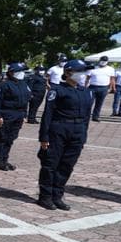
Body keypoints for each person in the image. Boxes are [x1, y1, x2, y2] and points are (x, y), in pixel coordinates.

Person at [37, 60, 93, 210]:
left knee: (67, 165)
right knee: (50, 164)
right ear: (68, 73)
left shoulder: (86, 92)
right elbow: (48, 115)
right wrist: (44, 137)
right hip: (59, 129)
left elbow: (87, 116)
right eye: (80, 72)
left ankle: (57, 195)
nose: (83, 75)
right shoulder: (57, 90)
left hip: (77, 131)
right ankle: (45, 196)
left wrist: (83, 135)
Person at [0, 63, 31, 171]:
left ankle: (4, 160)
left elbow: (26, 100)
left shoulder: (24, 84)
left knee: (10, 138)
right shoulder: (3, 85)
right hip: (6, 114)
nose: (22, 73)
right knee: (1, 138)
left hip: (18, 115)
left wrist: (24, 115)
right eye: (20, 71)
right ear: (11, 72)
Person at [86, 56, 116, 122]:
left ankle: (95, 117)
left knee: (99, 103)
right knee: (89, 102)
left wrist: (111, 88)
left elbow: (112, 79)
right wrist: (85, 87)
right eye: (102, 60)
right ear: (99, 60)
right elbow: (87, 78)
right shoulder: (93, 68)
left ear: (107, 62)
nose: (103, 62)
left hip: (104, 88)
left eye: (105, 61)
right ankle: (86, 116)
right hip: (92, 87)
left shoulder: (111, 69)